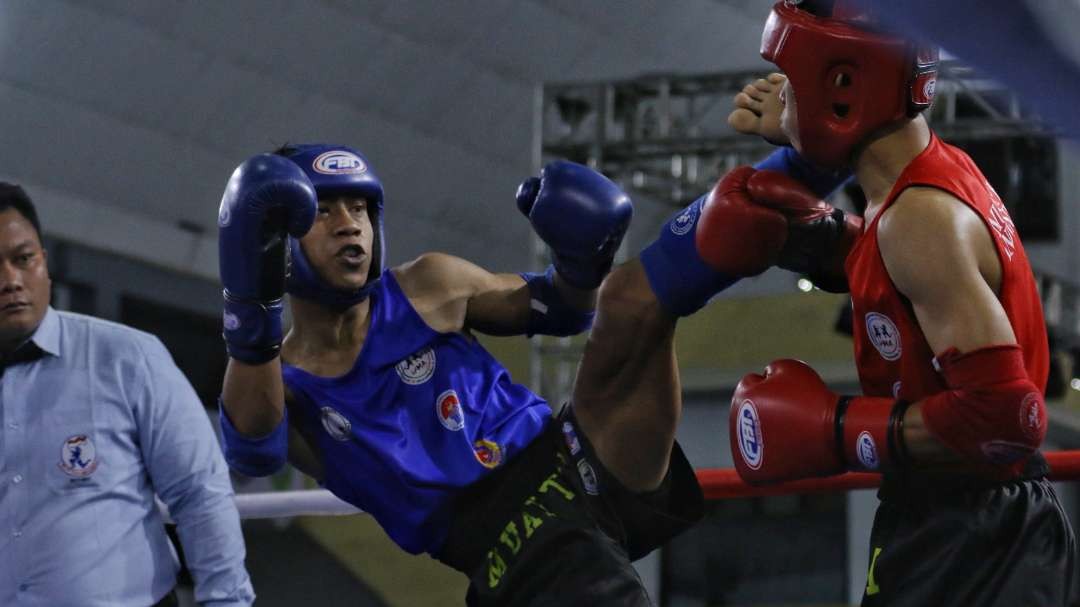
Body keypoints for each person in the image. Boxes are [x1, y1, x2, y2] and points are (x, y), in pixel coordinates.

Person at [214, 137, 847, 604]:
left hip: (574, 458)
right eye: (324, 211)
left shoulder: (428, 284)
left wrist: (580, 263)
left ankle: (813, 161)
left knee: (633, 299)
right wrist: (250, 301)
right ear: (277, 240)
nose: (349, 224)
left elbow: (564, 309)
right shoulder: (282, 381)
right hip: (503, 549)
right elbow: (251, 447)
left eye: (359, 207)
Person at [715, 2, 1079, 605]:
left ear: (842, 88)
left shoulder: (920, 220)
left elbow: (1007, 416)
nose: (782, 98)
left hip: (977, 535)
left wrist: (834, 430)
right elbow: (909, 283)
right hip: (954, 518)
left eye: (796, 83)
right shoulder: (930, 176)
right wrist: (822, 242)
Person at [0, 183, 254, 606]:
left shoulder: (127, 358)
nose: (10, 281)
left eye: (22, 259)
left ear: (43, 262)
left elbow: (199, 492)